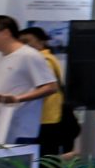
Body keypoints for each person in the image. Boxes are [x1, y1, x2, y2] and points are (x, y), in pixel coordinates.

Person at [0, 15, 57, 150]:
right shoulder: (2, 57)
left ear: (6, 33)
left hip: (18, 132)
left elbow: (51, 87)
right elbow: (5, 90)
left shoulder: (29, 55)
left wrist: (18, 99)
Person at [19, 27, 75, 158]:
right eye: (21, 42)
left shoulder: (43, 60)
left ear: (41, 41)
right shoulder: (48, 58)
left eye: (27, 41)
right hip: (48, 117)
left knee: (44, 160)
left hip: (45, 118)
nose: (24, 46)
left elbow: (47, 88)